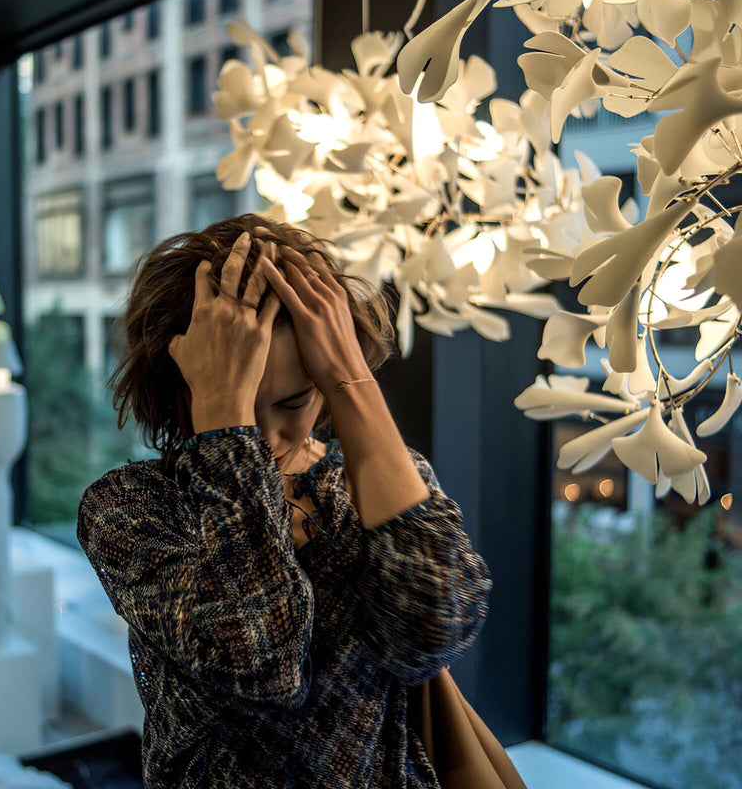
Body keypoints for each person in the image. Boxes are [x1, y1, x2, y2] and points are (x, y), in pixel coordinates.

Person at [77, 213, 493, 788]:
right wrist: (224, 432)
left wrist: (351, 374)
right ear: (177, 388)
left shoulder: (377, 480)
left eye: (294, 401)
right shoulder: (128, 508)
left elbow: (433, 633)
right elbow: (259, 663)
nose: (265, 438)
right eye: (242, 405)